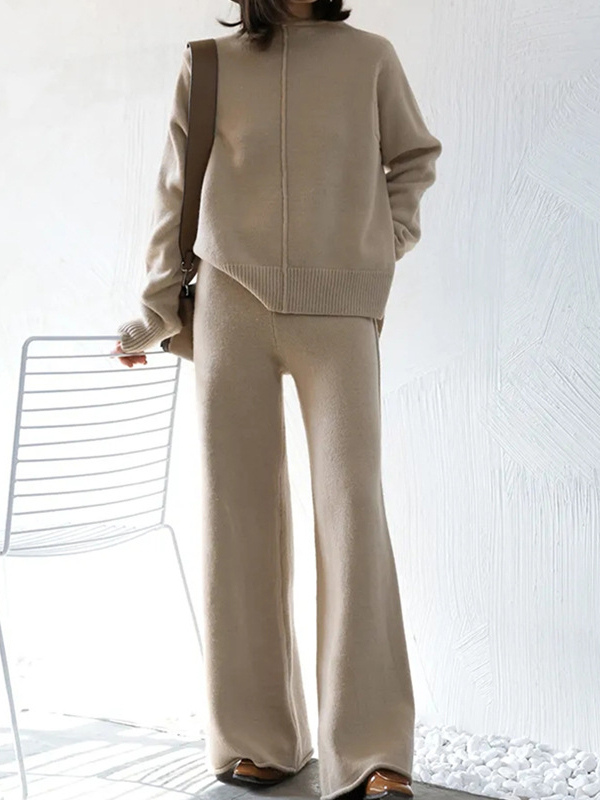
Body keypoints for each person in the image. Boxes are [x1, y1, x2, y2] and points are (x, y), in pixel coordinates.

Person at [113, 1, 442, 798]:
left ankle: (372, 752)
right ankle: (258, 737)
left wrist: (378, 244)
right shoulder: (209, 63)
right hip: (232, 305)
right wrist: (154, 312)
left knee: (352, 515)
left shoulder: (370, 56)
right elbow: (174, 194)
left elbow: (413, 159)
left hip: (341, 310)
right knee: (238, 518)